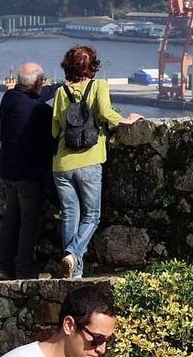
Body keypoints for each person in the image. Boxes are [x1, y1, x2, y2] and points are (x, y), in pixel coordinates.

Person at [50, 45, 139, 278]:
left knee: (70, 214)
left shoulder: (61, 92)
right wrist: (128, 120)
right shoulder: (99, 86)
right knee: (92, 216)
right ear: (93, 66)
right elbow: (107, 113)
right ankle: (73, 253)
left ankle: (74, 272)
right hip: (90, 160)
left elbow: (54, 129)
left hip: (61, 163)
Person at [0, 63, 57, 279]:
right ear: (38, 83)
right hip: (29, 173)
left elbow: (35, 96)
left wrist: (55, 87)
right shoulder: (41, 111)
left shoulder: (9, 99)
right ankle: (24, 268)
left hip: (9, 170)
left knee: (11, 219)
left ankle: (2, 267)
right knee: (29, 221)